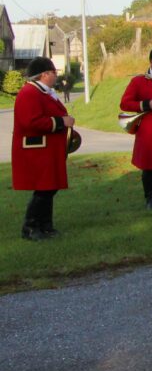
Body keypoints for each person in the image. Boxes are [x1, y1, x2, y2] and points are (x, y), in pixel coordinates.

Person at [12, 56, 74, 240]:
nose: (56, 76)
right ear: (44, 74)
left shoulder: (43, 92)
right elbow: (30, 121)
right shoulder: (29, 93)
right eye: (54, 73)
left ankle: (46, 225)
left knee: (50, 187)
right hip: (36, 150)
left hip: (47, 148)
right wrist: (61, 121)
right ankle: (30, 227)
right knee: (44, 188)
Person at [119, 46, 152, 209]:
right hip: (148, 128)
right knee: (148, 166)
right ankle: (150, 198)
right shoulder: (138, 81)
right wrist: (146, 104)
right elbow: (125, 103)